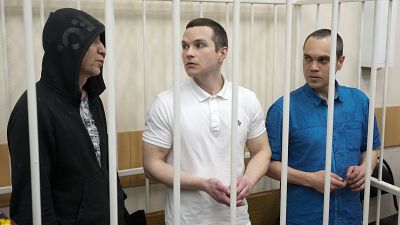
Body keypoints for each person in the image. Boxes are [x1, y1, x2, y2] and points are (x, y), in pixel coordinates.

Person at [142, 18, 271, 225]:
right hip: (186, 220)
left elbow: (262, 151)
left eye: (199, 45)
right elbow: (151, 165)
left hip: (236, 218)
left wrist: (248, 180)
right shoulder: (166, 102)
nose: (188, 53)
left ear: (222, 53)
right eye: (185, 46)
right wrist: (203, 184)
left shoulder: (246, 99)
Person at [7, 8, 128, 225]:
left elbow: (105, 167)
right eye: (94, 42)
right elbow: (32, 199)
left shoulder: (92, 99)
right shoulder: (34, 108)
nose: (103, 50)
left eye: (103, 41)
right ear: (70, 46)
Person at [266, 29, 381, 225]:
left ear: (340, 62)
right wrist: (310, 179)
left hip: (349, 215)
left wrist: (366, 167)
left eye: (323, 60)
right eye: (307, 59)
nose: (313, 67)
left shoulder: (360, 102)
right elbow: (268, 166)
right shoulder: (283, 109)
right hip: (304, 217)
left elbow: (371, 147)